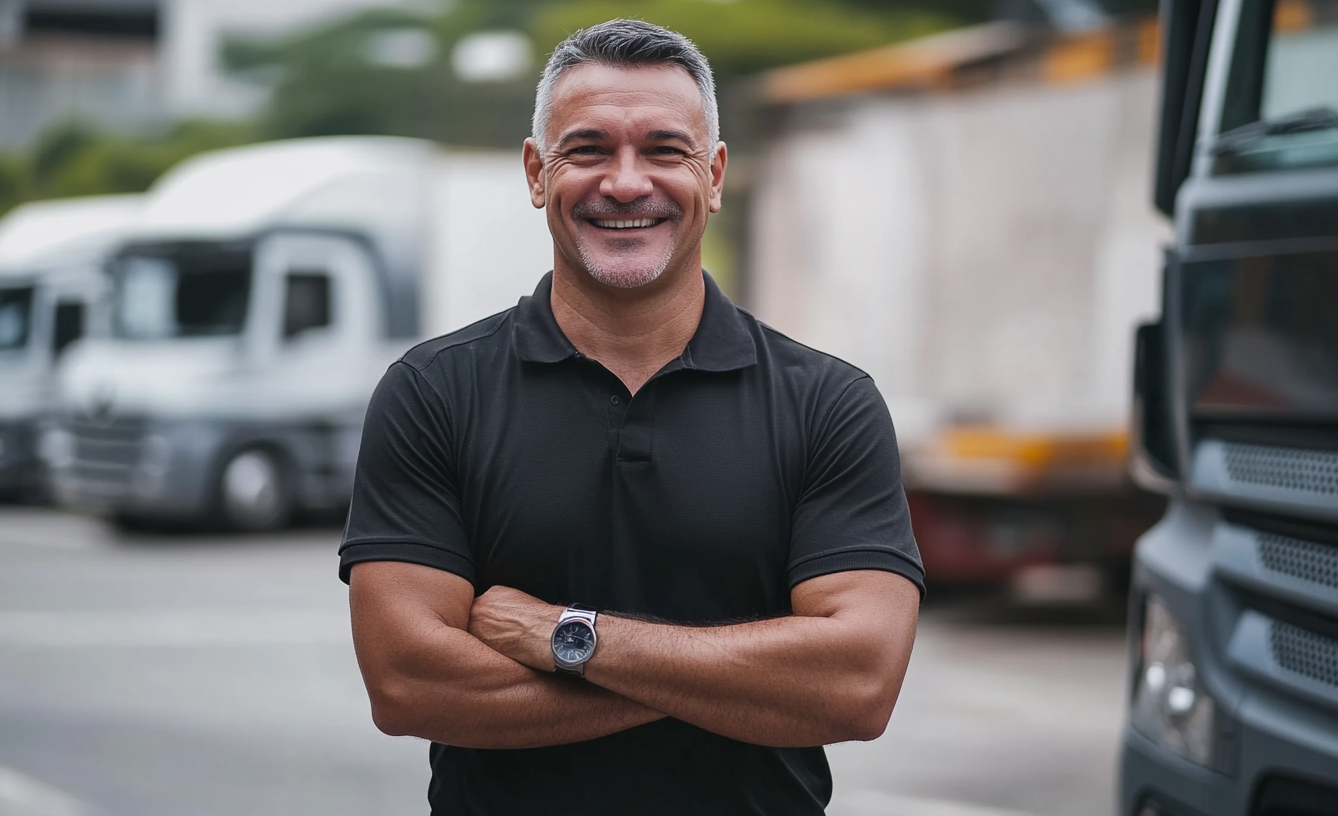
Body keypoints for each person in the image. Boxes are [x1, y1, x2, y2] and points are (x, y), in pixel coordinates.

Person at [340, 18, 924, 816]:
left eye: (662, 150)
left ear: (713, 176)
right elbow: (409, 684)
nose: (624, 182)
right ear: (536, 173)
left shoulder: (826, 403)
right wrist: (741, 681)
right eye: (587, 150)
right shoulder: (434, 393)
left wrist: (566, 638)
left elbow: (857, 684)